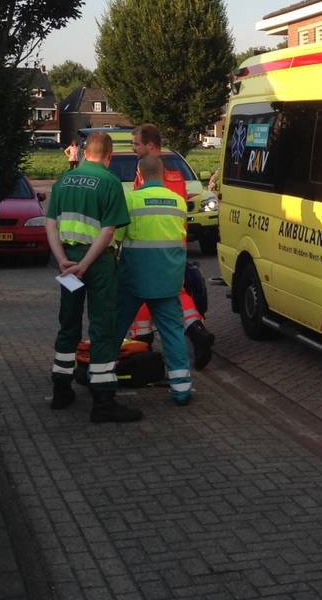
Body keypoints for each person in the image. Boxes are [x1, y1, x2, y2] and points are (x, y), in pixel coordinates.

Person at [45, 133, 140, 423]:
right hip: (96, 265)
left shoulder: (64, 181)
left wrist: (62, 259)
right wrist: (85, 265)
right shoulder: (110, 183)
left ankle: (61, 390)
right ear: (109, 156)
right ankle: (103, 400)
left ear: (85, 153)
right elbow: (109, 231)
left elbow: (51, 223)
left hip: (67, 262)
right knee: (102, 327)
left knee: (68, 323)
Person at [130, 124, 216, 366]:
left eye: (136, 144)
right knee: (177, 294)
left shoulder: (154, 174)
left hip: (150, 248)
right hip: (173, 247)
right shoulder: (174, 175)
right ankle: (197, 333)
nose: (134, 148)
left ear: (150, 146)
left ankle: (143, 345)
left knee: (144, 294)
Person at [116, 155, 193, 405]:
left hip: (134, 279)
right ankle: (181, 388)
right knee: (173, 333)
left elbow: (117, 237)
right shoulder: (179, 202)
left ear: (139, 175)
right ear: (162, 174)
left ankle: (102, 379)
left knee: (114, 330)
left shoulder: (131, 200)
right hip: (168, 280)